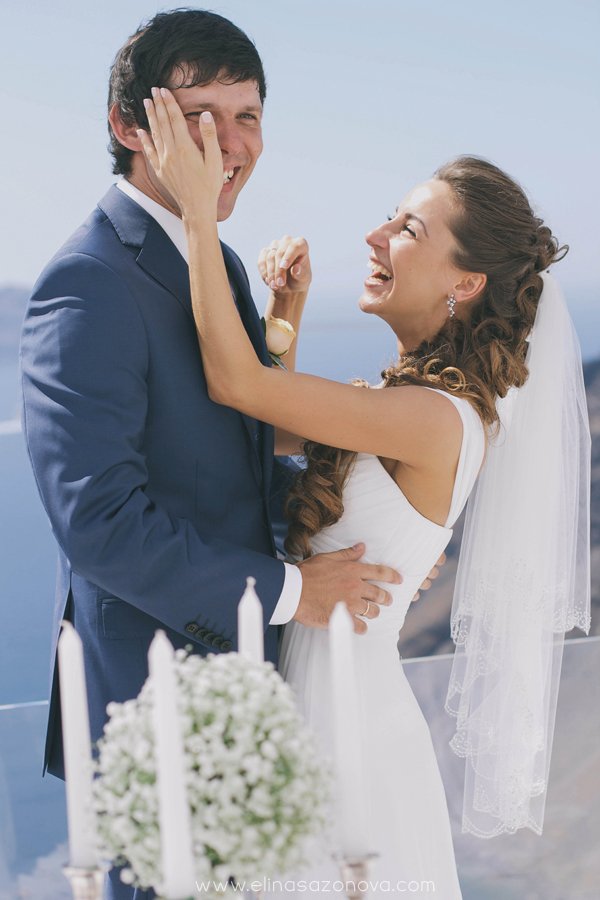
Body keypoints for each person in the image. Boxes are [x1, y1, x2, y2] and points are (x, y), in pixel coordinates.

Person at [138, 91, 590, 896]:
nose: (376, 237)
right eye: (389, 218)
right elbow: (265, 430)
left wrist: (199, 214)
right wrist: (286, 311)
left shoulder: (434, 418)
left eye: (408, 230)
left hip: (350, 730)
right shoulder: (407, 404)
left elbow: (236, 385)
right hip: (322, 703)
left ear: (465, 282)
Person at [19, 11, 416, 900]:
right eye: (200, 116)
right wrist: (293, 592)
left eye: (249, 116)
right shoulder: (87, 283)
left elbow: (237, 457)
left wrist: (370, 542)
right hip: (151, 711)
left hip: (250, 698)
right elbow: (100, 525)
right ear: (130, 126)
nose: (232, 144)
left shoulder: (220, 265)